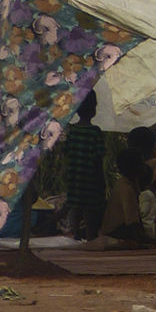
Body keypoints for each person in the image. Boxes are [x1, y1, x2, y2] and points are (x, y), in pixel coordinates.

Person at [99, 127, 156, 244]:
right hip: (115, 236)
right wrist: (150, 242)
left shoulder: (123, 183)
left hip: (116, 233)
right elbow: (132, 225)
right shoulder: (127, 189)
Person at [61, 93, 107, 241]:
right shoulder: (95, 132)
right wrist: (101, 180)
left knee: (75, 205)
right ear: (93, 109)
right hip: (90, 178)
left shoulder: (72, 131)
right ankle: (89, 235)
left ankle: (75, 234)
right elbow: (98, 158)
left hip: (74, 176)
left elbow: (66, 152)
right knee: (90, 208)